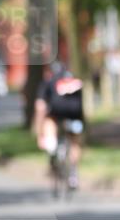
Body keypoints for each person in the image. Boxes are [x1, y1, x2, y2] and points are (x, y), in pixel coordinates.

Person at [34, 61, 85, 189]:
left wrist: (40, 133)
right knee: (74, 143)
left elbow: (40, 106)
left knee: (50, 124)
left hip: (56, 113)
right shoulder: (75, 81)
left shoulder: (48, 81)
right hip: (75, 114)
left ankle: (52, 151)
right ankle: (73, 173)